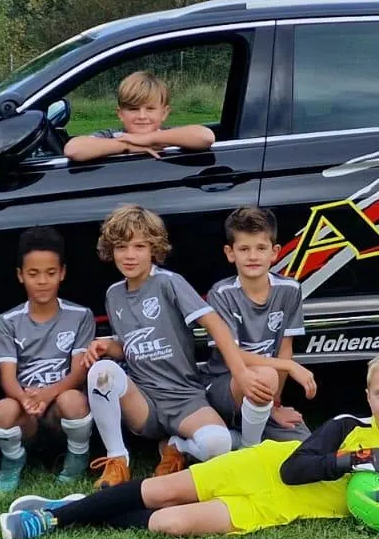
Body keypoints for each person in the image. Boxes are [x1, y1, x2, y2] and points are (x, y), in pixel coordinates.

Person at [0, 349, 379, 539]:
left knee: (169, 524)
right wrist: (356, 459)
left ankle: (87, 506)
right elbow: (293, 470)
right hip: (259, 469)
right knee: (161, 492)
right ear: (368, 397)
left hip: (276, 510)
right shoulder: (347, 426)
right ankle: (52, 517)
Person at [81, 204, 270, 489]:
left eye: (139, 246)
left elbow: (216, 325)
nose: (130, 255)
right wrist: (108, 347)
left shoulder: (170, 283)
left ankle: (178, 446)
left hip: (183, 397)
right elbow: (133, 344)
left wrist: (241, 373)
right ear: (111, 251)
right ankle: (117, 461)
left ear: (154, 248)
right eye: (121, 247)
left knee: (216, 444)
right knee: (102, 371)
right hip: (143, 400)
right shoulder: (114, 294)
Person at [0, 227, 97, 491]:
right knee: (1, 411)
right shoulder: (8, 320)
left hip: (61, 409)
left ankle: (77, 457)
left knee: (73, 399)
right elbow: (7, 378)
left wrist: (48, 394)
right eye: (33, 274)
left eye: (50, 273)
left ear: (62, 273)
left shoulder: (80, 315)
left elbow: (79, 373)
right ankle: (13, 461)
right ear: (20, 276)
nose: (42, 281)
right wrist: (25, 399)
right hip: (28, 411)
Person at [203, 206, 316, 448]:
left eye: (261, 248)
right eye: (244, 249)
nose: (253, 256)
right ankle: (249, 447)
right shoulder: (221, 294)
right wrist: (287, 365)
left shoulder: (290, 290)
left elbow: (285, 348)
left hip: (267, 388)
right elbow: (231, 354)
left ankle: (243, 433)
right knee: (264, 375)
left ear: (275, 252)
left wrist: (275, 405)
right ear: (230, 253)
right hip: (226, 384)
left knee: (301, 446)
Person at [62, 71, 215, 162]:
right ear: (120, 114)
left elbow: (205, 137)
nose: (142, 116)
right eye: (133, 109)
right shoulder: (113, 136)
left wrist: (148, 139)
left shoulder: (169, 136)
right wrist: (127, 146)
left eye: (150, 109)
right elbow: (73, 149)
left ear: (164, 113)